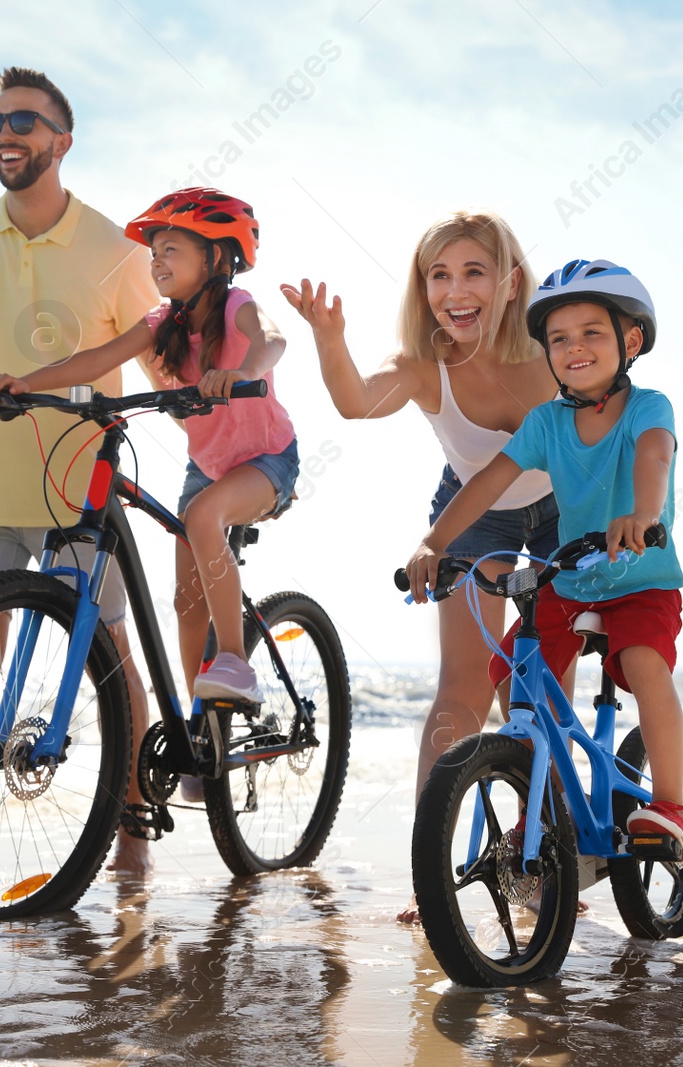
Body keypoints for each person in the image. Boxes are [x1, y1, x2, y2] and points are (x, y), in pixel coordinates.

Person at [279, 211, 559, 922]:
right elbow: (353, 401)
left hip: (564, 509)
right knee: (463, 686)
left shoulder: (551, 354)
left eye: (473, 271)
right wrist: (330, 340)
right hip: (471, 511)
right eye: (439, 274)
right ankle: (432, 871)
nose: (453, 290)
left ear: (510, 283)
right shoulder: (424, 364)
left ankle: (539, 863)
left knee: (539, 690)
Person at [0, 67, 160, 883]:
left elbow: (156, 344)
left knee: (108, 657)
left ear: (63, 141)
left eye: (24, 122)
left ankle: (133, 822)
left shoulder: (119, 247)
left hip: (77, 489)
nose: (6, 135)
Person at [0, 187, 297, 767]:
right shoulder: (161, 323)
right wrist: (26, 384)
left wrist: (241, 371)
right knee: (185, 601)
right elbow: (95, 361)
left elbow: (273, 339)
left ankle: (237, 663)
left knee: (203, 519)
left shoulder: (236, 306)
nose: (156, 261)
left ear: (217, 259)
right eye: (154, 252)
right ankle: (204, 727)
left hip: (267, 462)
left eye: (171, 249)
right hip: (207, 468)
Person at [404, 258, 683, 858]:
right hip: (574, 582)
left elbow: (654, 459)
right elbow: (485, 482)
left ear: (630, 340)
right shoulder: (545, 423)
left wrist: (642, 514)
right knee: (512, 673)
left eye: (591, 333)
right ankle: (541, 800)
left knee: (642, 663)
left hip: (641, 579)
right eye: (558, 338)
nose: (573, 347)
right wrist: (436, 542)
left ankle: (669, 806)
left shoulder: (648, 408)